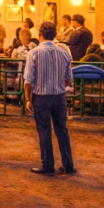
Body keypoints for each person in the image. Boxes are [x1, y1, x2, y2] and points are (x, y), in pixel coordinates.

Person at [24, 21, 77, 175]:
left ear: (40, 34)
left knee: (44, 131)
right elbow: (68, 79)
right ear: (54, 35)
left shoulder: (34, 53)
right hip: (59, 96)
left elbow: (28, 81)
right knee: (62, 129)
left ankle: (48, 164)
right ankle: (68, 165)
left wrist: (28, 99)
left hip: (41, 97)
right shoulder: (64, 53)